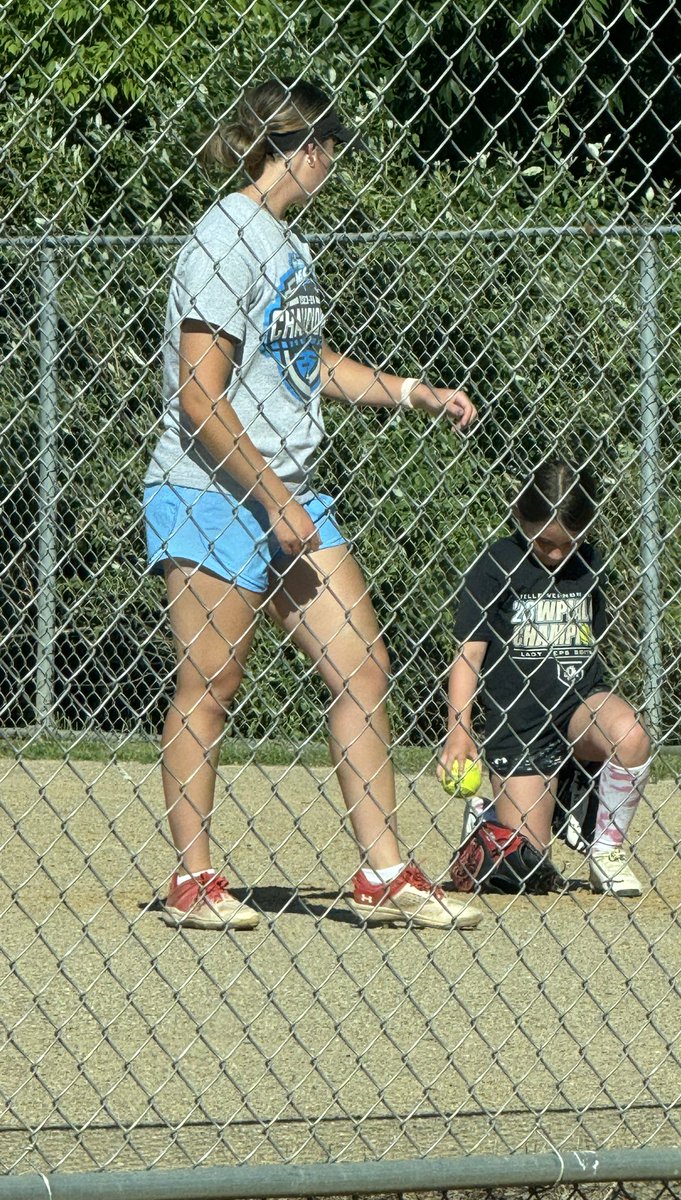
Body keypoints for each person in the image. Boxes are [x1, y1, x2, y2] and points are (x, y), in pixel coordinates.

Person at [143, 78, 482, 931]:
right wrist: (270, 498)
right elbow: (198, 396)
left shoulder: (282, 243)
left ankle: (384, 874)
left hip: (288, 494)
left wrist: (413, 392)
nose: (334, 166)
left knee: (362, 667)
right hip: (212, 493)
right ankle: (194, 882)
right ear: (305, 146)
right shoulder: (223, 236)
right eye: (332, 148)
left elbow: (301, 363)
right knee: (211, 683)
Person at [439, 459, 651, 896]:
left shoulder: (588, 561)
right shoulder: (496, 563)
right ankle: (489, 816)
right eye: (544, 542)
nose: (556, 554)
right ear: (519, 515)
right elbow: (469, 654)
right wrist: (458, 731)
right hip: (519, 728)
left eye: (567, 543)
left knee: (630, 736)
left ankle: (606, 850)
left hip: (578, 707)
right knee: (528, 873)